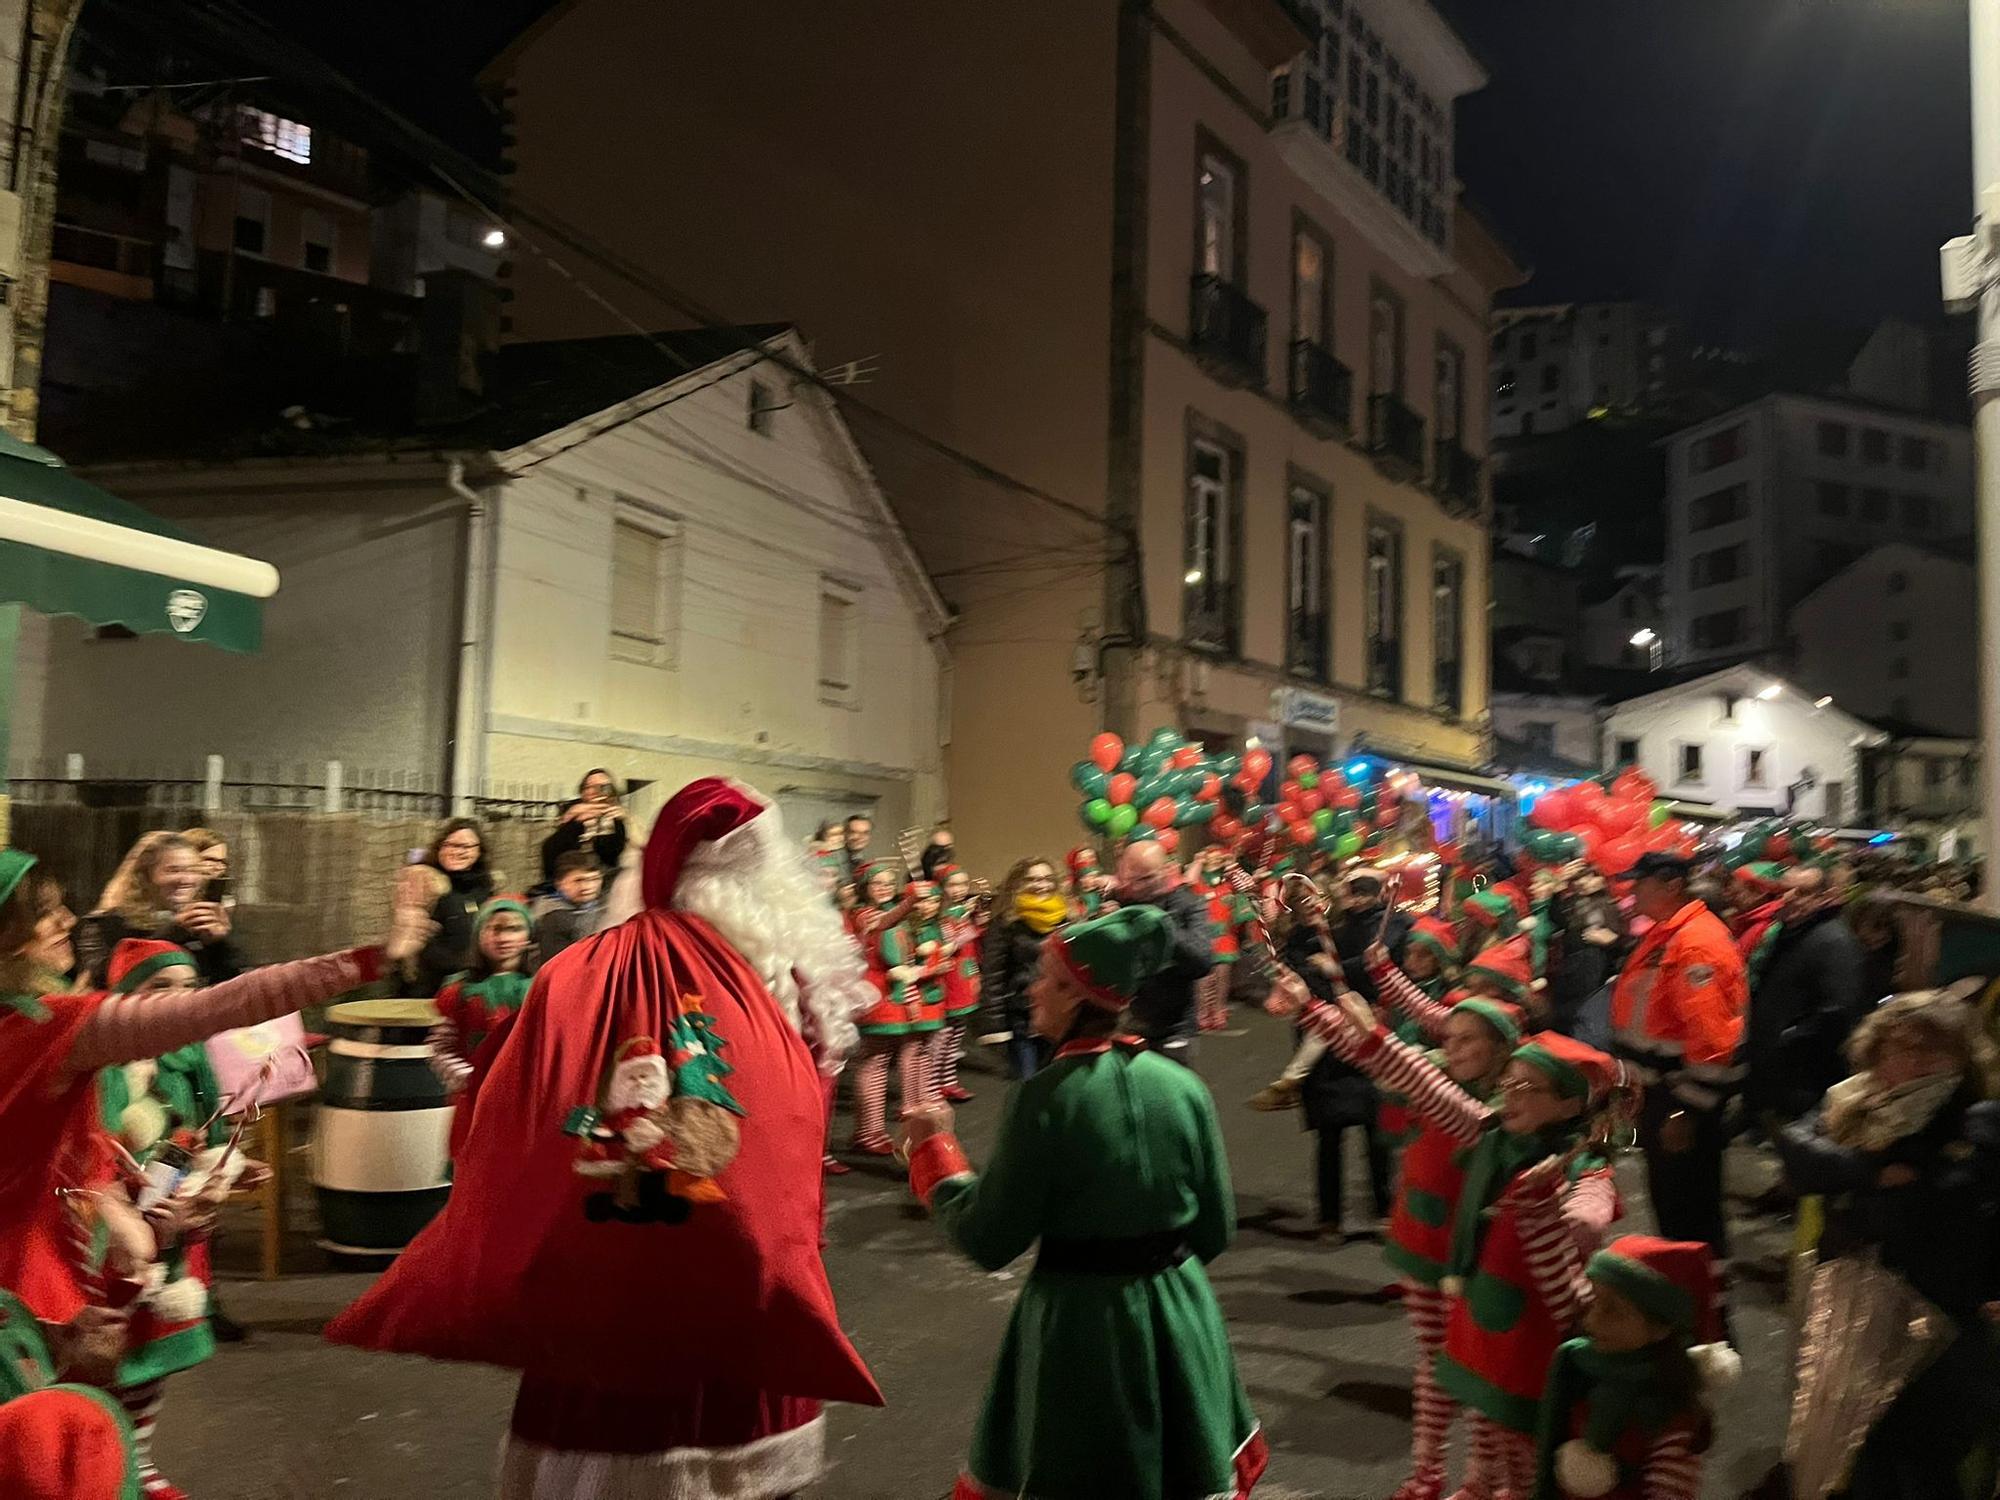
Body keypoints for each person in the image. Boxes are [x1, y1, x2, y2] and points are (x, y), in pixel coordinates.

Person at [329, 778, 883, 1500]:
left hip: (604, 1287)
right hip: (747, 1284)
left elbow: (512, 1091)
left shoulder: (584, 971)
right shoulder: (795, 983)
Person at [0, 848, 431, 1389]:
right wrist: (373, 959)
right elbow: (223, 1005)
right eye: (45, 913)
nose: (67, 922)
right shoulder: (52, 1028)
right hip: (33, 1281)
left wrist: (136, 1198)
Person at [902, 906, 1268, 1500]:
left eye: (1047, 977)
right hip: (1181, 1315)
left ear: (1078, 995)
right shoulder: (1184, 1088)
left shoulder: (1043, 1099)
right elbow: (1215, 1232)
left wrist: (935, 1154)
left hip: (1080, 1329)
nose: (1032, 988)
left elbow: (988, 1238)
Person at [1285, 987, 1623, 1500]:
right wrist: (1320, 1011)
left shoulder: (1577, 1165)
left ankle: (1481, 1484)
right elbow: (1417, 1079)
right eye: (1510, 1085)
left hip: (1538, 1334)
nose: (1510, 1095)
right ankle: (1470, 1483)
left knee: (1528, 1449)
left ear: (1568, 1104)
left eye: (1527, 1088)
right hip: (1482, 1302)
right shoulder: (1491, 1132)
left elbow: (1589, 1210)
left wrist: (1568, 1218)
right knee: (1487, 1415)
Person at [1773, 986, 2000, 1500]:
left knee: (1919, 1455)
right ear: (1876, 1051)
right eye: (1902, 1047)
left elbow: (1927, 1204)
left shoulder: (1978, 1118)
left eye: (1933, 1049)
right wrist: (1873, 1172)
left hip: (1931, 1310)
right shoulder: (1851, 1099)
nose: (1916, 1062)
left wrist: (1850, 1182)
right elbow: (1797, 1154)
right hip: (1848, 1301)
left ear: (1962, 1058)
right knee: (1845, 1443)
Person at [1362, 947, 1523, 1500]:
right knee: (1432, 1365)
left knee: (1473, 1372)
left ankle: (1481, 1478)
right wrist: (1375, 977)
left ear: (1502, 1049)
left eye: (1467, 1040)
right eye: (1448, 1039)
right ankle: (1427, 1472)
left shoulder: (1502, 1108)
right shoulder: (1438, 1072)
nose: (1449, 1049)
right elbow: (1398, 1046)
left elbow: (1389, 1051)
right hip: (1420, 1242)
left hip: (1469, 1254)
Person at [1608, 851, 1746, 1254]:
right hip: (1661, 1098)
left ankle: (1700, 1306)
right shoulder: (1669, 934)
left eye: (1640, 882)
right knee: (1674, 1213)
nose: (1632, 890)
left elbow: (1713, 1038)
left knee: (1690, 1219)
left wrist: (1686, 1109)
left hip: (1680, 1105)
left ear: (1671, 886)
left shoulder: (1695, 944)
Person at [1533, 1236, 1731, 1500]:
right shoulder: (1579, 1367)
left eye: (1614, 1310)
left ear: (1661, 1328)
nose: (1591, 1320)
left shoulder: (1669, 1420)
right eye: (1594, 1300)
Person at [1742, 866, 1866, 1131]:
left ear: (1824, 897)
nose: (1790, 897)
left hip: (1803, 1081)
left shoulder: (1834, 942)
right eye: (1785, 890)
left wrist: (1788, 1038)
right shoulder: (1791, 934)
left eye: (1803, 892)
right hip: (1777, 1076)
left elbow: (1839, 1011)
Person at [429, 899, 537, 1147]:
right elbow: (440, 1047)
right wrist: (469, 1079)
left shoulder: (540, 988)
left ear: (528, 936)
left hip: (527, 1100)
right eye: (495, 929)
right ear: (479, 934)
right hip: (477, 1100)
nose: (504, 938)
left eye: (514, 929)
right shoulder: (460, 992)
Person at [74, 833, 242, 989]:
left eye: (193, 870)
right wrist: (174, 932)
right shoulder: (106, 925)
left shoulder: (199, 927)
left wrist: (218, 945)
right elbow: (111, 982)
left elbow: (229, 991)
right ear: (146, 876)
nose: (187, 880)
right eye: (173, 870)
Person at [1116, 841, 1215, 1066]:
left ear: (1165, 871)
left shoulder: (1188, 903)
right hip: (1130, 1023)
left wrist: (1158, 921)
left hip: (1175, 1028)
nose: (1136, 888)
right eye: (1130, 880)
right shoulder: (1121, 904)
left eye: (1145, 879)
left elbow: (1202, 960)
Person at [981, 857, 1067, 1081]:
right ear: (1018, 883)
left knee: (1058, 1082)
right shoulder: (1006, 923)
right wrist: (994, 1025)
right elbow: (993, 975)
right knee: (1027, 1085)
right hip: (1023, 1018)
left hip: (1061, 1016)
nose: (1041, 884)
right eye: (1033, 879)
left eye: (1047, 879)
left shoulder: (1067, 919)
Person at [410, 818, 498, 997]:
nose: (457, 851)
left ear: (478, 851)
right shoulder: (424, 882)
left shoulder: (484, 887)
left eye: (465, 846)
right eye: (450, 844)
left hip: (472, 985)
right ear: (439, 848)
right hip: (428, 987)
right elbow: (418, 946)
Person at [930, 866, 984, 1104]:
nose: (960, 889)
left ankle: (948, 1081)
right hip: (948, 979)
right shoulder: (939, 916)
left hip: (965, 977)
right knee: (941, 1035)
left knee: (956, 1034)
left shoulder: (962, 912)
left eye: (963, 884)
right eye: (953, 885)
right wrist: (966, 923)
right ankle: (931, 1085)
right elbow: (948, 945)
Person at [538, 769, 630, 885]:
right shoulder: (570, 813)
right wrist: (576, 821)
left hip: (603, 888)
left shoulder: (616, 818)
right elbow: (550, 852)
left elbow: (610, 855)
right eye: (590, 786)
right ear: (583, 792)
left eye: (603, 786)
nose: (596, 791)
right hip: (566, 886)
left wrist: (614, 820)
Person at [532, 852, 605, 963]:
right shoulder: (553, 919)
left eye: (594, 879)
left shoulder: (605, 909)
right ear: (559, 884)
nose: (588, 887)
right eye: (578, 880)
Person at [839, 813, 874, 883]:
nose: (859, 837)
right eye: (853, 832)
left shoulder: (866, 860)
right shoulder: (834, 859)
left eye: (865, 833)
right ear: (845, 834)